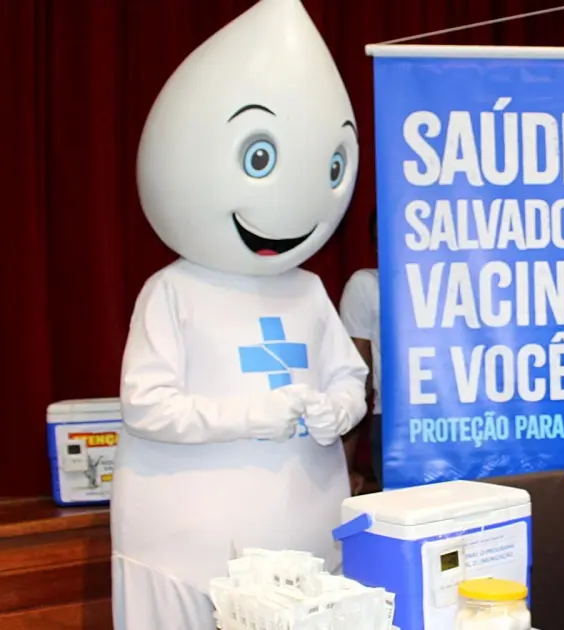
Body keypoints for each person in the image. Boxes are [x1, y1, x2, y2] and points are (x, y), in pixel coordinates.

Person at [112, 2, 368, 628]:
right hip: (186, 550)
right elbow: (147, 405)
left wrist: (341, 407)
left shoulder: (308, 290)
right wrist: (253, 416)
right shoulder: (171, 291)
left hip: (307, 546)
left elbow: (350, 376)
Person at [340, 209, 382, 490]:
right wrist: (345, 466)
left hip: (469, 424)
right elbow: (356, 380)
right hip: (396, 425)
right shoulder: (367, 285)